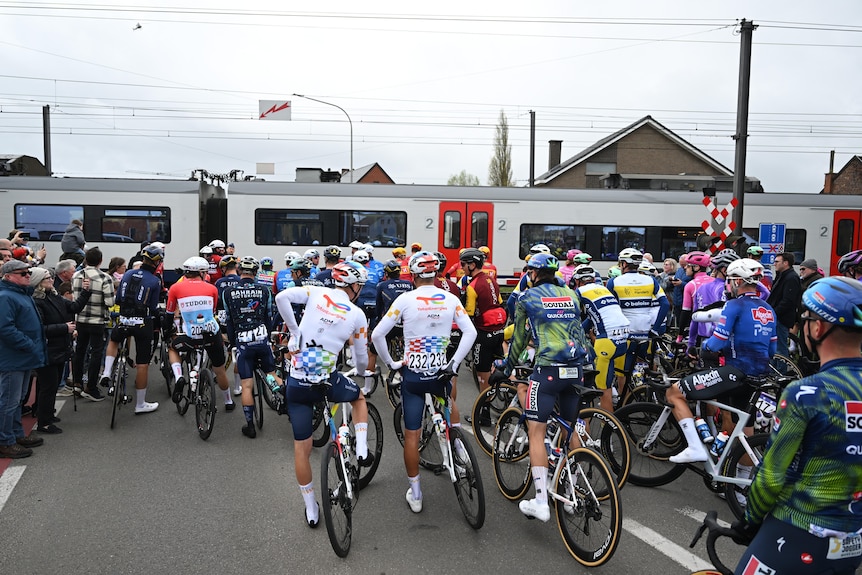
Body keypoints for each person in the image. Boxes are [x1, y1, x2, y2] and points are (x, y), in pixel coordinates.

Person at [732, 276, 862, 575]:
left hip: (798, 531)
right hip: (852, 541)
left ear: (818, 327)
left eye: (805, 320)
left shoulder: (807, 394)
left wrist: (749, 520)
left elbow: (771, 476)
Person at [372, 251, 477, 514]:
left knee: (412, 435)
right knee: (448, 404)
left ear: (414, 274)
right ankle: (458, 449)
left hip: (414, 376)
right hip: (441, 372)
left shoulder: (405, 299)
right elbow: (470, 332)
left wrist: (392, 364)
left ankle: (416, 494)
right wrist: (453, 364)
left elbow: (377, 335)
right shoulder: (451, 297)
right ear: (437, 273)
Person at [274, 261, 375, 528]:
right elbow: (361, 357)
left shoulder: (316, 292)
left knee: (301, 448)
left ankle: (310, 508)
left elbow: (281, 296)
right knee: (358, 398)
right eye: (360, 286)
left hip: (297, 384)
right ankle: (362, 449)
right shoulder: (356, 314)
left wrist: (295, 332)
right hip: (328, 381)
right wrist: (363, 374)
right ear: (353, 286)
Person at [500, 253, 591, 521]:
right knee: (569, 427)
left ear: (533, 274)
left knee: (536, 432)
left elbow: (518, 340)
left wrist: (506, 369)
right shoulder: (572, 295)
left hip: (549, 370)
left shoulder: (527, 298)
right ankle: (572, 495)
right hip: (577, 369)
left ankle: (541, 502)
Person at [667, 258, 776, 464]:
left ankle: (694, 447)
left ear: (736, 282)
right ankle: (741, 485)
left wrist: (701, 348)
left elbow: (716, 343)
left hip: (736, 371)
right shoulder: (768, 310)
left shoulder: (734, 305)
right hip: (758, 375)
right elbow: (772, 349)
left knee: (674, 392)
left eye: (729, 281)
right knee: (745, 430)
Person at [97, 245, 163, 414]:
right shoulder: (155, 280)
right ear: (157, 263)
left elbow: (118, 298)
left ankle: (106, 372)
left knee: (113, 340)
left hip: (124, 319)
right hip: (143, 324)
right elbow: (154, 307)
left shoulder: (127, 274)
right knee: (142, 364)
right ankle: (140, 404)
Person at [166, 256, 235, 413]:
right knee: (219, 369)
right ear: (202, 273)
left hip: (190, 336)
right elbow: (213, 311)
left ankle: (179, 377)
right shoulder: (212, 288)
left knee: (172, 348)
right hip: (211, 333)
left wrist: (167, 331)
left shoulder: (175, 288)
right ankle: (228, 400)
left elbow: (169, 313)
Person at [222, 256, 278, 438]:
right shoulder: (264, 290)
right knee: (272, 374)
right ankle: (287, 402)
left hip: (242, 341)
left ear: (240, 272)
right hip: (261, 337)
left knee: (246, 385)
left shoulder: (228, 292)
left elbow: (229, 321)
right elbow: (269, 317)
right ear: (256, 273)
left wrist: (232, 341)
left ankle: (250, 426)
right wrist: (267, 337)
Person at [31, 266, 91, 433]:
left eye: (50, 278)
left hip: (58, 347)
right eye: (47, 279)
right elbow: (39, 329)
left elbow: (75, 308)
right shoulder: (37, 302)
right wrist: (64, 328)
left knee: (53, 383)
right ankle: (44, 422)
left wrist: (85, 292)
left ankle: (46, 413)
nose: (51, 280)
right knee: (48, 386)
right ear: (38, 283)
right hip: (47, 348)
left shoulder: (54, 297)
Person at [0, 260, 47, 458]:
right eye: (23, 273)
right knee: (9, 401)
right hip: (13, 358)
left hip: (23, 356)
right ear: (8, 276)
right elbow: (5, 328)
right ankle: (5, 441)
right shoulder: (6, 296)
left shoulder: (20, 294)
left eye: (28, 272)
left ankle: (16, 434)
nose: (28, 275)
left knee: (18, 399)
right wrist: (29, 344)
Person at [607, 247, 669, 393]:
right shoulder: (651, 280)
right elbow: (665, 304)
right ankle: (648, 399)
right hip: (646, 333)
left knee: (623, 373)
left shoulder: (614, 282)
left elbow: (610, 308)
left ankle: (625, 405)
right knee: (644, 369)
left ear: (623, 264)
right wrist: (655, 329)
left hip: (625, 335)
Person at [570, 264, 629, 412]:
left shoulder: (579, 292)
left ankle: (607, 427)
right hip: (625, 336)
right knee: (619, 377)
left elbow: (572, 317)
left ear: (577, 281)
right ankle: (625, 410)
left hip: (607, 341)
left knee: (602, 389)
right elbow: (592, 318)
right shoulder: (603, 289)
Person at [71, 247, 115, 402]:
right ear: (100, 261)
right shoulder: (105, 278)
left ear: (85, 260)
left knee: (80, 351)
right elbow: (110, 302)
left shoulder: (76, 275)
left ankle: (77, 383)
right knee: (96, 352)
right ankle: (91, 386)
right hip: (97, 321)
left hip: (81, 319)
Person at [461, 248, 506, 394]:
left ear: (472, 265)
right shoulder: (491, 280)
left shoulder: (472, 286)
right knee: (499, 367)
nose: (462, 268)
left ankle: (484, 413)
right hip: (499, 331)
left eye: (463, 264)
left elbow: (469, 313)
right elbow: (498, 301)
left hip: (484, 334)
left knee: (483, 377)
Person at [767, 252, 802, 359]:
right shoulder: (781, 276)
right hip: (777, 317)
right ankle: (774, 372)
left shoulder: (791, 278)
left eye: (777, 261)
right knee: (774, 347)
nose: (774, 264)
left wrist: (774, 313)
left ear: (786, 263)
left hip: (781, 318)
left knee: (780, 348)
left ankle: (781, 373)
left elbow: (788, 301)